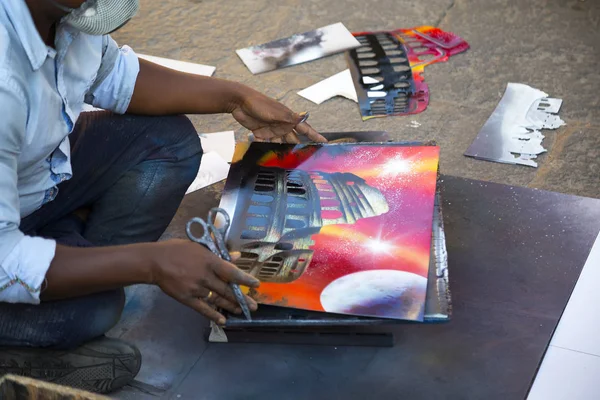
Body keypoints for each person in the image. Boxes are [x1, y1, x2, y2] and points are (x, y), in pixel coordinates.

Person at [0, 0, 326, 394]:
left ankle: (70, 252)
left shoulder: (56, 13)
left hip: (27, 182)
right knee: (90, 312)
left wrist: (235, 97)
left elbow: (112, 74)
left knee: (168, 143)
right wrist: (150, 265)